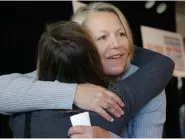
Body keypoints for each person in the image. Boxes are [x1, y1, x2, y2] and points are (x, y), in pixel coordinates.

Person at [0, 1, 174, 138]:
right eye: (102, 37)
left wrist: (108, 138)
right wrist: (74, 93)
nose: (117, 44)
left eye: (121, 34)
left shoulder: (147, 82)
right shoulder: (65, 70)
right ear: (82, 45)